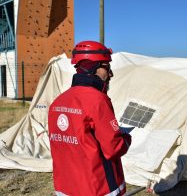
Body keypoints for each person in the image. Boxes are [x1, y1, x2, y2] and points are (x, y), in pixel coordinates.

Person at [48, 41, 131, 195]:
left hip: (65, 187)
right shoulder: (98, 100)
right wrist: (126, 138)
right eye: (107, 67)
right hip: (98, 188)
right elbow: (113, 148)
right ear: (94, 67)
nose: (110, 74)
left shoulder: (57, 102)